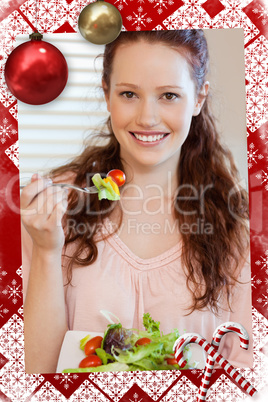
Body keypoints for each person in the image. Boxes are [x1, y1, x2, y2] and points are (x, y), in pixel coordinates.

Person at [20, 29, 252, 374]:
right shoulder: (50, 213)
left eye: (169, 95)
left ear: (199, 99)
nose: (147, 118)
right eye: (129, 93)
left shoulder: (238, 227)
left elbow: (247, 379)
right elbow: (35, 375)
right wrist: (47, 250)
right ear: (106, 94)